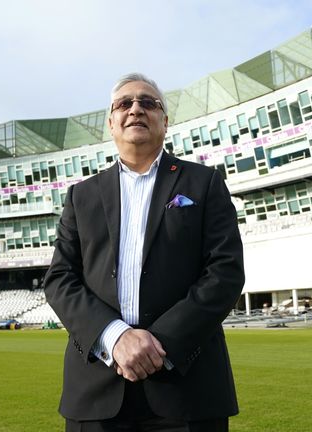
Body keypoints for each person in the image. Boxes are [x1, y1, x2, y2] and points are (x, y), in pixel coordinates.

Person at [43, 72, 245, 431]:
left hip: (188, 385)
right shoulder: (82, 195)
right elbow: (60, 279)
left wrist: (159, 345)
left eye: (148, 103)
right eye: (124, 103)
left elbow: (225, 271)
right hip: (96, 390)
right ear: (111, 123)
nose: (135, 108)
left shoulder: (204, 183)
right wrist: (115, 336)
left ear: (165, 122)